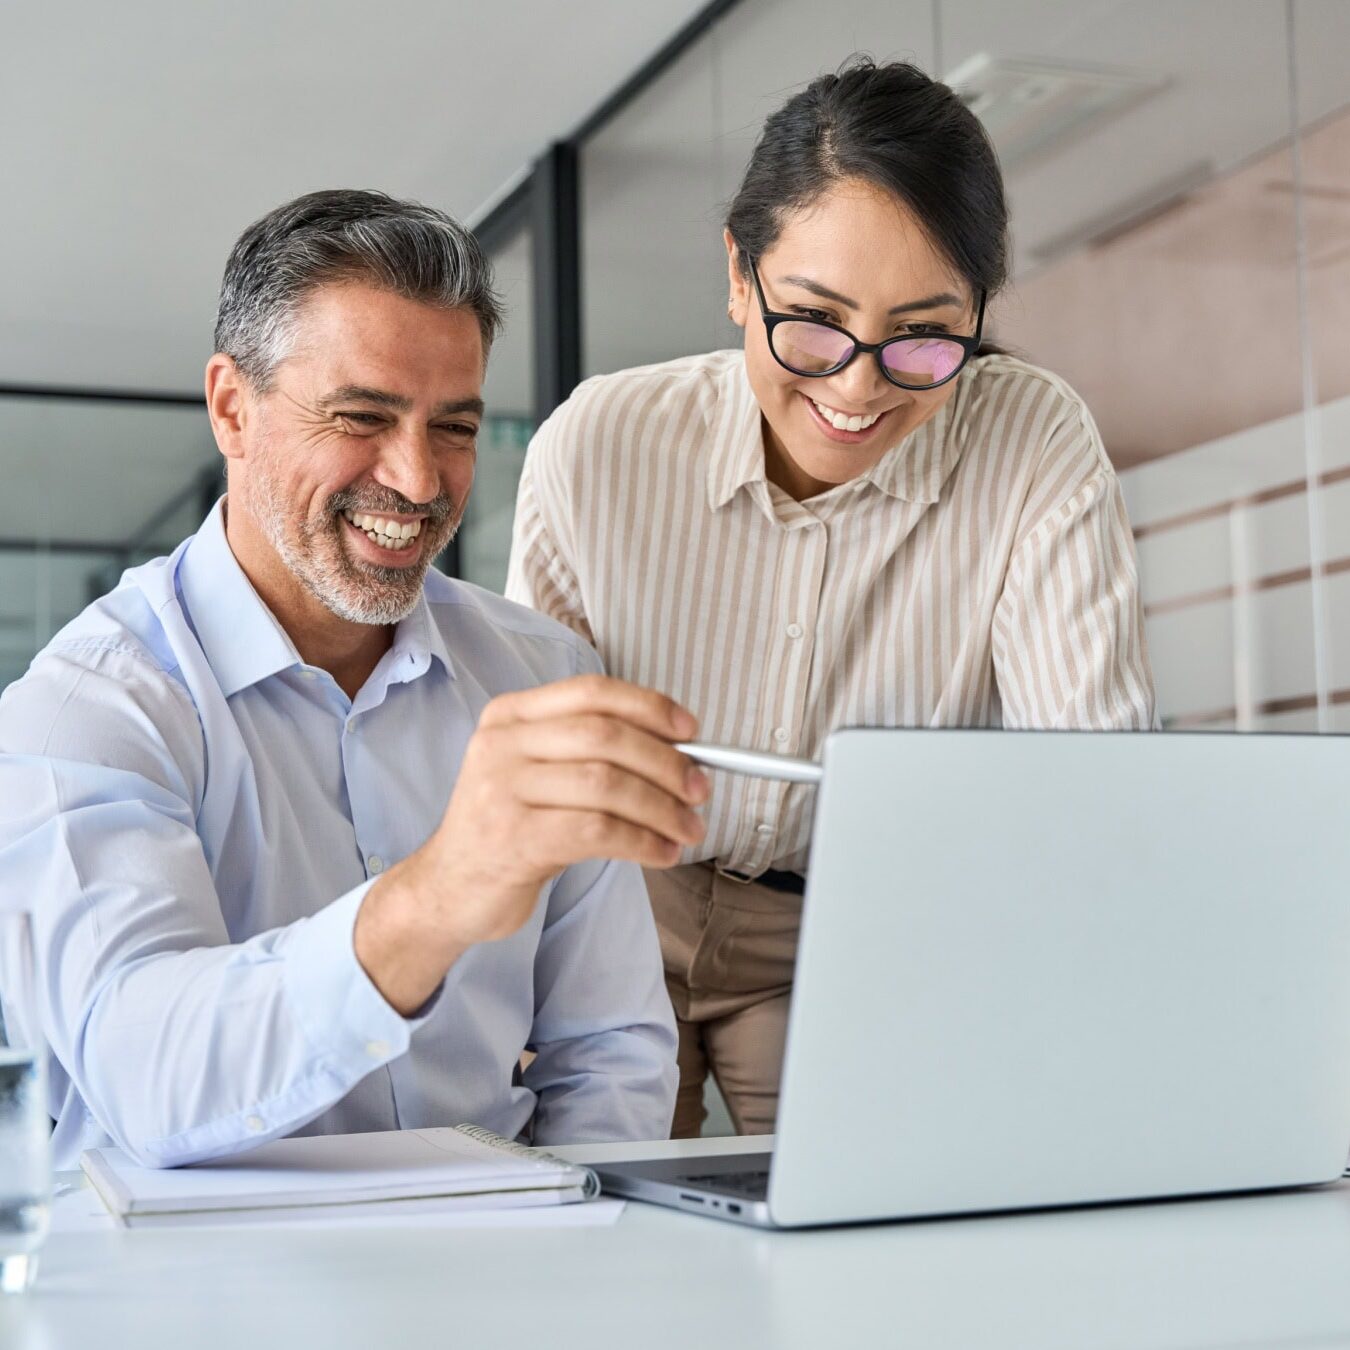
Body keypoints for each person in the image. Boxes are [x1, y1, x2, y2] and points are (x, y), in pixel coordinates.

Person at [507, 59, 1157, 1139]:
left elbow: (1088, 777)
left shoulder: (1030, 438)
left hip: (853, 922)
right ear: (736, 273)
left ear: (979, 313)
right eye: (811, 321)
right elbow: (547, 766)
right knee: (594, 1236)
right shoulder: (597, 444)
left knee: (860, 1255)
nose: (856, 386)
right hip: (613, 914)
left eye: (924, 334)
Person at [0, 189, 708, 1169]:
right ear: (231, 409)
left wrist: (570, 1262)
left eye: (454, 427)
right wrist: (433, 899)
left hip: (498, 1272)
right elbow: (143, 1074)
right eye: (362, 416)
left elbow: (610, 1054)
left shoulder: (541, 672)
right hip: (203, 1294)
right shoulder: (89, 708)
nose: (418, 481)